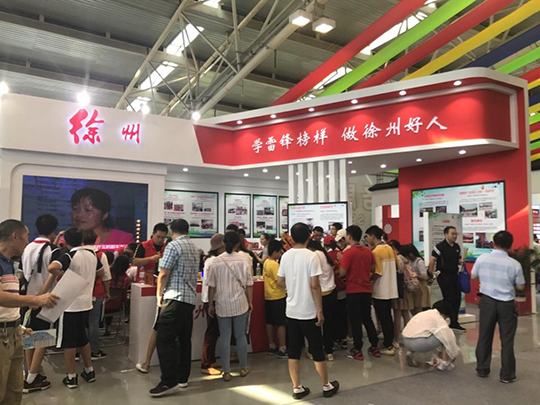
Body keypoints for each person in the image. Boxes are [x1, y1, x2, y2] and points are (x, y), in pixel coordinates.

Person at [277, 222, 339, 400]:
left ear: (291, 237)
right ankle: (326, 385)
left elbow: (280, 281)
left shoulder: (286, 256)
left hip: (291, 310)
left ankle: (297, 388)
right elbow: (315, 285)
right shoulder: (312, 256)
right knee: (317, 349)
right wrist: (319, 310)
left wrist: (292, 286)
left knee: (294, 350)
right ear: (308, 236)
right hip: (309, 311)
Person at [0, 220, 59, 405]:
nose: (28, 242)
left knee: (14, 390)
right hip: (2, 335)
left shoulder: (10, 264)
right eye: (25, 237)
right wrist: (36, 300)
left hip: (13, 332)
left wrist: (18, 325)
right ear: (14, 236)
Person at [41, 227, 106, 389]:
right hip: (86, 303)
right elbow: (101, 271)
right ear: (82, 240)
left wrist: (68, 277)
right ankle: (89, 371)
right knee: (82, 338)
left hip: (69, 305)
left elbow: (52, 268)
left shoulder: (69, 255)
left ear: (66, 242)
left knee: (69, 342)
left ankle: (71, 377)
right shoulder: (92, 255)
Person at [151, 219, 200, 397]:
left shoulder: (172, 246)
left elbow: (164, 273)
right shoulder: (194, 248)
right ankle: (182, 378)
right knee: (184, 339)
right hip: (189, 299)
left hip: (174, 298)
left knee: (164, 339)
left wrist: (159, 294)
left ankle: (168, 381)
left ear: (172, 231)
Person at [472, 230, 525, 383]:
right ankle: (507, 374)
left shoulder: (482, 258)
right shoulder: (514, 264)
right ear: (510, 245)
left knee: (484, 335)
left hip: (487, 301)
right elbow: (521, 286)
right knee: (507, 339)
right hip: (506, 304)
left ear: (493, 243)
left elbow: (473, 276)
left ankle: (482, 369)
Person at [20, 214, 61, 393]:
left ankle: (31, 373)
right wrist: (40, 297)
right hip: (44, 299)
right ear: (54, 229)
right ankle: (31, 379)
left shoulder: (27, 247)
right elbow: (52, 276)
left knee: (29, 336)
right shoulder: (53, 250)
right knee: (43, 339)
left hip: (25, 298)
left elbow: (23, 273)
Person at [207, 231, 253, 381]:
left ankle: (226, 371)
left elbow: (211, 286)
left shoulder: (216, 261)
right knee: (240, 336)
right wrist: (250, 302)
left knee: (225, 337)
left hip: (222, 304)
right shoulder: (243, 260)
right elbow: (249, 284)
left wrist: (211, 304)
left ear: (223, 243)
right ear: (238, 244)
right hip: (240, 303)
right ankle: (243, 367)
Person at [339, 225, 380, 361]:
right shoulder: (368, 251)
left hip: (353, 290)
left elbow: (342, 272)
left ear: (349, 236)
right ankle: (374, 346)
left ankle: (357, 349)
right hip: (366, 289)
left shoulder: (348, 253)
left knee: (355, 321)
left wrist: (340, 261)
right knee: (367, 318)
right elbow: (372, 268)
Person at [365, 226, 399, 356]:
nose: (367, 239)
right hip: (391, 288)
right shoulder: (389, 248)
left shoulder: (376, 252)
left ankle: (388, 345)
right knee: (387, 317)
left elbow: (377, 272)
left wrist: (368, 280)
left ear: (372, 236)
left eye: (368, 237)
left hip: (380, 289)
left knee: (383, 318)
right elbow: (398, 266)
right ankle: (389, 341)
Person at [402, 300, 460, 371]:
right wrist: (452, 354)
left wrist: (438, 352)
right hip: (419, 343)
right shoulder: (438, 318)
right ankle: (444, 363)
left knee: (422, 333)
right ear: (444, 314)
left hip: (406, 341)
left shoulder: (423, 314)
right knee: (445, 335)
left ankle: (410, 353)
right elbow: (448, 338)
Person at [82, 230, 112, 360]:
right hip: (96, 292)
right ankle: (94, 351)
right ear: (96, 240)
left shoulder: (77, 254)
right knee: (93, 322)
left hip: (79, 293)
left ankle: (78, 351)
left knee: (80, 322)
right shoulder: (100, 255)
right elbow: (106, 277)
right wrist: (107, 292)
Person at [428, 226, 465, 331]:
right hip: (444, 276)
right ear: (446, 234)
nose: (454, 236)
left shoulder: (456, 247)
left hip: (455, 275)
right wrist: (430, 274)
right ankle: (443, 321)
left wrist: (460, 261)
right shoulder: (439, 247)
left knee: (457, 298)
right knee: (449, 298)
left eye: (456, 234)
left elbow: (458, 260)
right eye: (452, 234)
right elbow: (432, 260)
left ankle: (454, 322)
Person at [200, 234, 225, 376]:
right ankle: (206, 364)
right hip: (212, 300)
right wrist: (211, 303)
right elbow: (211, 284)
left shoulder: (211, 259)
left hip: (212, 299)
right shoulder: (214, 261)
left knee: (215, 332)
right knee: (211, 333)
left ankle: (211, 359)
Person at [307, 240, 336, 361]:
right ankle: (329, 351)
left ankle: (315, 351)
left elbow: (313, 280)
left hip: (320, 294)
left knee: (316, 324)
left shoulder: (314, 256)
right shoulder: (324, 254)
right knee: (329, 324)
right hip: (331, 292)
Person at [264, 240, 287, 358]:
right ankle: (282, 348)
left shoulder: (266, 262)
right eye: (279, 252)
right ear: (274, 252)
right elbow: (280, 281)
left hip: (268, 296)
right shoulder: (275, 265)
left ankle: (271, 346)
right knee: (281, 324)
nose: (281, 253)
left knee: (270, 322)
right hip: (278, 296)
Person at [387, 240, 412, 345]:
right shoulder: (403, 258)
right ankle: (409, 336)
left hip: (399, 289)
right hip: (405, 289)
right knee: (405, 313)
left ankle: (396, 338)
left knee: (397, 314)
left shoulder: (397, 259)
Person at [330, 229, 349, 349]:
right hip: (344, 288)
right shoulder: (342, 254)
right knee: (343, 315)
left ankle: (334, 338)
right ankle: (343, 338)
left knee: (333, 315)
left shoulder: (327, 256)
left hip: (331, 290)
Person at [104, 254, 132, 336]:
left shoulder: (107, 273)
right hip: (116, 306)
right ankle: (107, 327)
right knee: (113, 304)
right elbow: (124, 295)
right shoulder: (126, 279)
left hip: (103, 304)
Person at [402, 244, 430, 314]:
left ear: (410, 254)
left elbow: (425, 277)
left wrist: (416, 275)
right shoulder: (409, 262)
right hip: (413, 288)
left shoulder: (419, 262)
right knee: (413, 309)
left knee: (418, 310)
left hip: (420, 288)